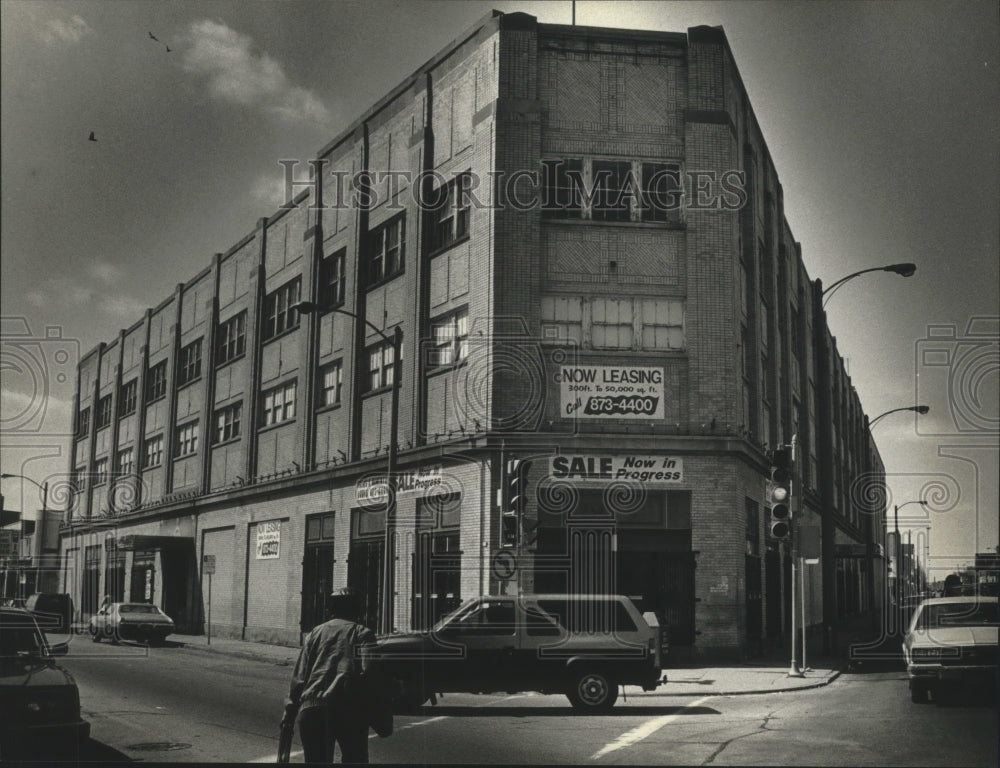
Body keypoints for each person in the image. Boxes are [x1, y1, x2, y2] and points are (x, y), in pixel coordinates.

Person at [281, 588, 386, 763]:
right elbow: (370, 673)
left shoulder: (315, 633)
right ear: (356, 609)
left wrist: (290, 710)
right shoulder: (363, 633)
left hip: (312, 710)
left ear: (331, 610)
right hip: (349, 709)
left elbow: (300, 676)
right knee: (355, 759)